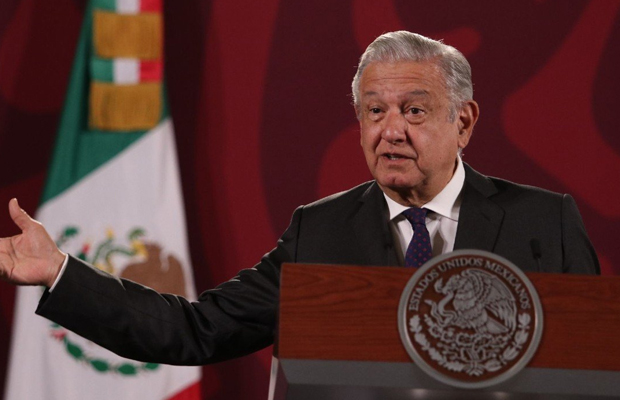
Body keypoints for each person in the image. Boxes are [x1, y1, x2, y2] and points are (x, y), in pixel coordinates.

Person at [0, 31, 599, 365]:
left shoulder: (544, 223)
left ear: (463, 122)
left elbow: (597, 366)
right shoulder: (321, 231)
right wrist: (60, 272)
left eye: (414, 111)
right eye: (374, 112)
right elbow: (197, 330)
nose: (391, 131)